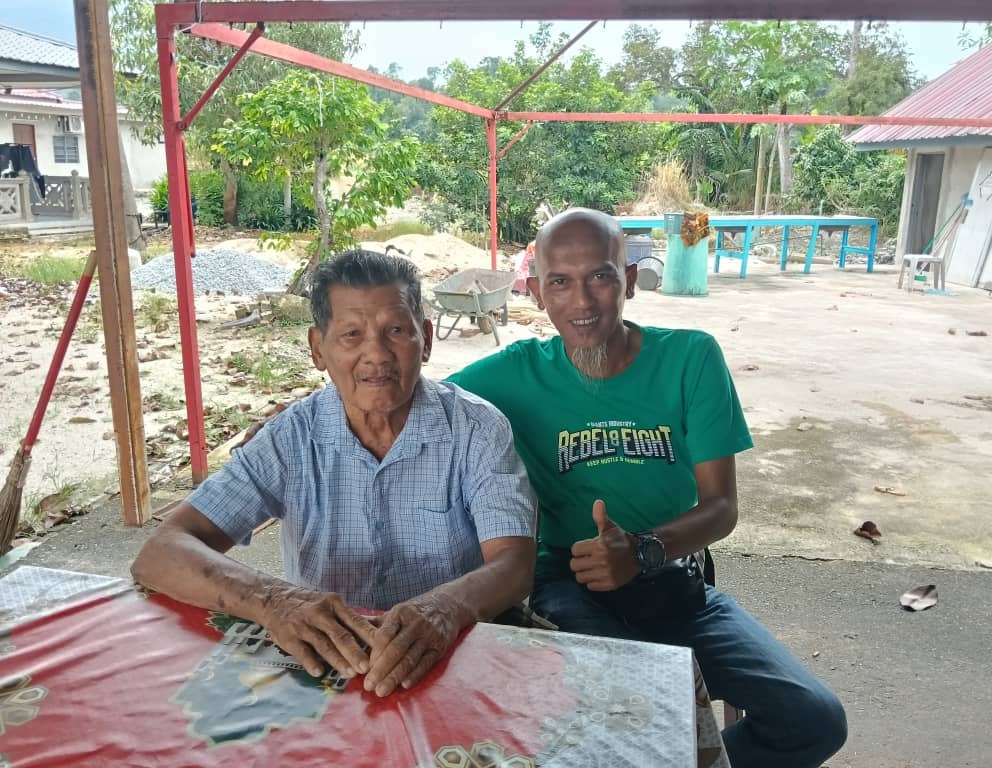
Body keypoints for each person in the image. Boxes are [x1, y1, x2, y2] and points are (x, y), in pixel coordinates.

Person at [447, 208, 847, 768]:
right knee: (632, 723)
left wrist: (642, 550)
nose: (582, 302)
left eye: (600, 276)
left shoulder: (690, 359)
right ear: (536, 293)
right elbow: (417, 405)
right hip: (567, 587)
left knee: (814, 719)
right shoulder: (509, 376)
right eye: (560, 282)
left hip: (673, 583)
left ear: (630, 281)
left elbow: (721, 507)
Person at [131, 250, 536, 699]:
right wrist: (274, 601)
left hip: (452, 652)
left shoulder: (476, 428)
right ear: (317, 349)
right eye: (351, 334)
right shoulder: (290, 437)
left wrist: (444, 608)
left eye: (396, 330)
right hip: (328, 663)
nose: (376, 354)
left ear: (425, 339)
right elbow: (162, 552)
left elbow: (514, 563)